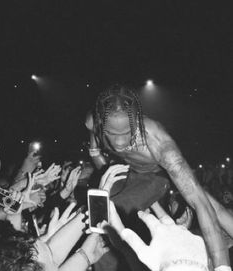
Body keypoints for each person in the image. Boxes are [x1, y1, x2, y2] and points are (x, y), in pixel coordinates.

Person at [85, 85, 229, 268]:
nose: (119, 142)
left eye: (126, 133)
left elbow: (200, 203)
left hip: (156, 175)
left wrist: (222, 267)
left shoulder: (158, 142)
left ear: (136, 123)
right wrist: (106, 168)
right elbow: (94, 150)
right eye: (112, 134)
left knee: (205, 202)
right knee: (95, 211)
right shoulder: (93, 121)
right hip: (127, 172)